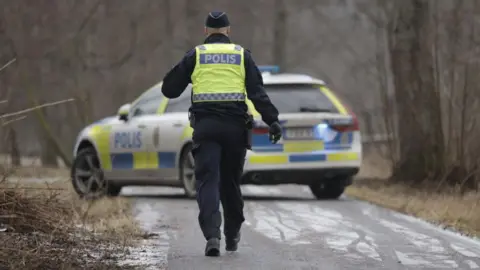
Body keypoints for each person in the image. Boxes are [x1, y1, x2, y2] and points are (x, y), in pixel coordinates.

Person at [161, 11, 282, 257]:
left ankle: (212, 236)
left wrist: (182, 71)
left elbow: (169, 90)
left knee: (207, 181)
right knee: (230, 183)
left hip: (206, 128)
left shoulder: (196, 55)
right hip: (235, 129)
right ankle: (232, 235)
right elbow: (257, 93)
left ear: (206, 31)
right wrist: (273, 121)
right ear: (228, 31)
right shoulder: (241, 55)